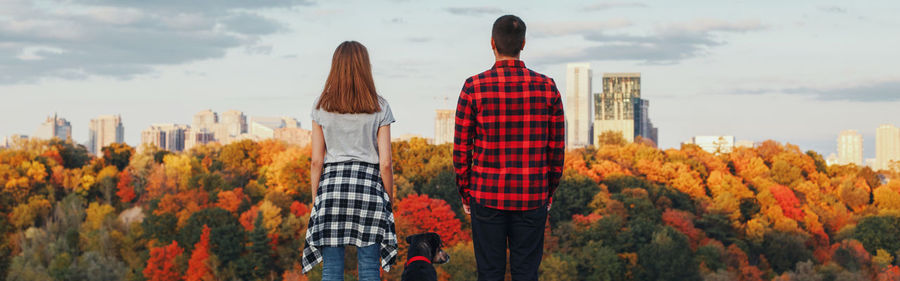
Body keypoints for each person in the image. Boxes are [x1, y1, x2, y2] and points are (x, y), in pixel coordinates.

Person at [453, 15, 565, 281]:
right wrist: (548, 191)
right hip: (532, 195)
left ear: (492, 43)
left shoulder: (473, 87)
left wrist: (466, 192)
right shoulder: (548, 88)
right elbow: (556, 151)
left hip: (486, 195)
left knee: (489, 273)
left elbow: (460, 150)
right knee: (526, 273)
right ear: (523, 44)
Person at [302, 41, 398, 281]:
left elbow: (316, 161)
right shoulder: (380, 106)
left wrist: (317, 199)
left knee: (331, 270)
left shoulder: (321, 105)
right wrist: (389, 199)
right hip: (368, 189)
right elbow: (385, 163)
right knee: (368, 268)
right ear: (366, 67)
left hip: (332, 189)